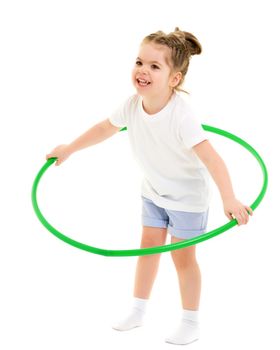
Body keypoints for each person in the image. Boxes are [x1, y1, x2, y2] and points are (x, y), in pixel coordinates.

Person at [46, 27, 253, 345]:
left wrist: (230, 198)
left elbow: (213, 160)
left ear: (175, 79)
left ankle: (190, 321)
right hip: (154, 192)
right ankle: (138, 310)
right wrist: (69, 149)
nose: (143, 70)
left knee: (182, 258)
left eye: (155, 66)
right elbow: (105, 128)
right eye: (139, 62)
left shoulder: (182, 117)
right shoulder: (131, 105)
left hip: (186, 198)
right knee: (148, 249)